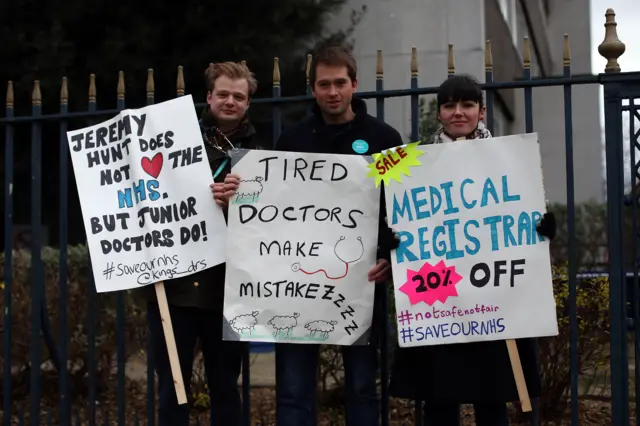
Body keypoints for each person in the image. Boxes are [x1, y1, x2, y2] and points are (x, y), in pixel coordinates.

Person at [215, 45, 402, 425]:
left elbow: (399, 208)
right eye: (324, 84)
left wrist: (388, 254)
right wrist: (240, 194)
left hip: (361, 285)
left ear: (354, 85)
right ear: (313, 89)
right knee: (294, 390)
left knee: (363, 388)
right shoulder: (292, 140)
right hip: (295, 289)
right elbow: (269, 213)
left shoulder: (385, 138)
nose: (332, 92)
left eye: (340, 83)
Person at [388, 74, 556, 426]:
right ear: (439, 113)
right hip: (440, 302)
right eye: (449, 105)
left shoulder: (512, 159)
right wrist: (391, 238)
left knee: (491, 399)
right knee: (439, 401)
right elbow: (390, 212)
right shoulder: (411, 163)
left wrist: (543, 226)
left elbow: (529, 210)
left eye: (466, 105)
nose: (458, 113)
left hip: (492, 300)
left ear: (481, 112)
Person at [146, 61, 263, 426]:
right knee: (172, 391)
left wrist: (240, 206)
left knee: (226, 390)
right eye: (223, 94)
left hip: (228, 292)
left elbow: (273, 224)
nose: (230, 101)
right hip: (174, 288)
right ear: (209, 96)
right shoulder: (172, 141)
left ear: (247, 103)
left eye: (238, 96)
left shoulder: (263, 154)